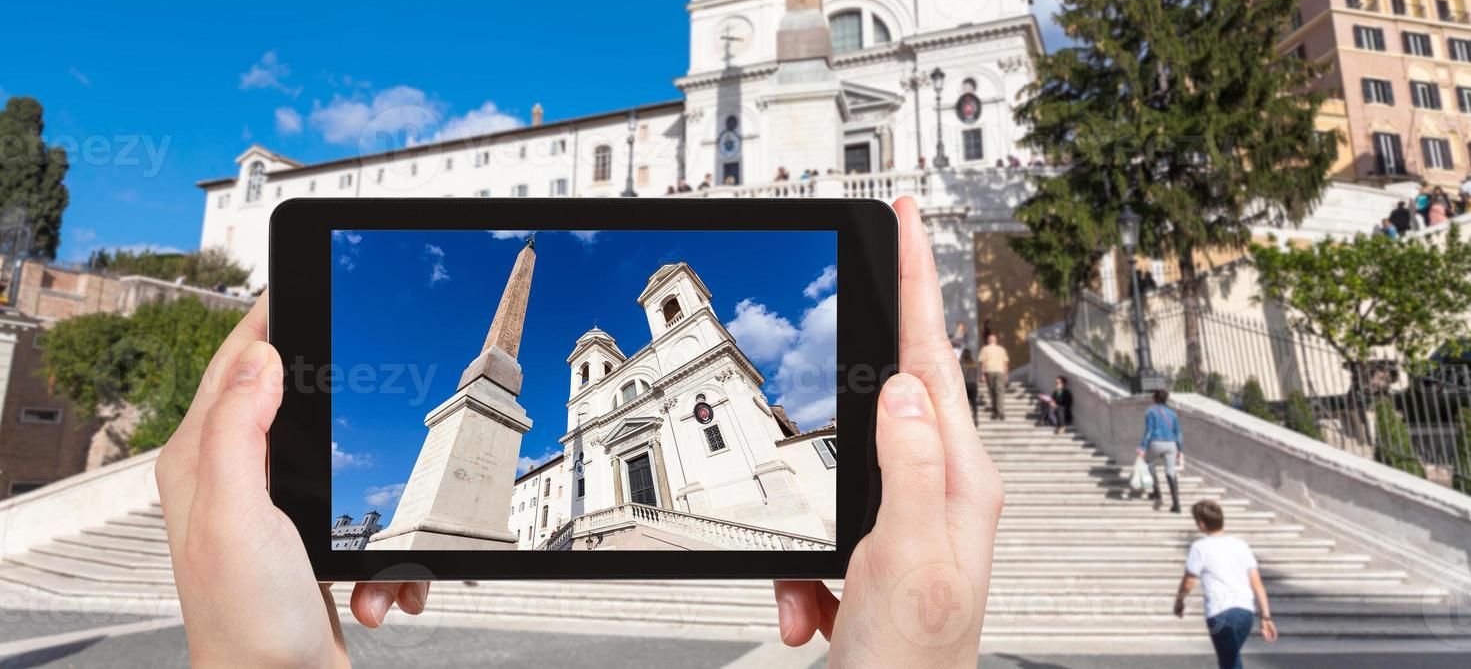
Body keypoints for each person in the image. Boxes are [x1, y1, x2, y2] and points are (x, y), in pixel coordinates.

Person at [159, 197, 1001, 666]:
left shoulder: (696, 348)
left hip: (726, 459)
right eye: (593, 367)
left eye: (668, 305)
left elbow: (738, 416)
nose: (597, 374)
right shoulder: (598, 397)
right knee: (590, 454)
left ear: (675, 303)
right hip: (609, 443)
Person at [1173, 499, 1278, 669]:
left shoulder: (1200, 547)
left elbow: (1189, 581)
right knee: (1230, 659)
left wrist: (1179, 602)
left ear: (1201, 524)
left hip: (1220, 614)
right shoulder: (1241, 545)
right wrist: (1265, 616)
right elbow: (1257, 583)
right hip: (1245, 613)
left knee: (1229, 663)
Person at [1138, 389, 1184, 512]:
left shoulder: (1150, 411)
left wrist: (1142, 447)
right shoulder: (1173, 413)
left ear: (1155, 398)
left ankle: (1156, 491)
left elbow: (1149, 431)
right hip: (1171, 444)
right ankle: (1176, 504)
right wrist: (1180, 448)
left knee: (1148, 463)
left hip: (1156, 442)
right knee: (1170, 472)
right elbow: (1178, 433)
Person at [978, 330, 1010, 420]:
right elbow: (1005, 363)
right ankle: (1000, 412)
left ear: (989, 340)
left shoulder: (984, 349)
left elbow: (982, 362)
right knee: (1000, 392)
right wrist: (1006, 375)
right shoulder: (1002, 349)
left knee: (992, 392)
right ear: (996, 341)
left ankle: (996, 411)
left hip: (990, 371)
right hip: (1000, 371)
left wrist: (982, 374)